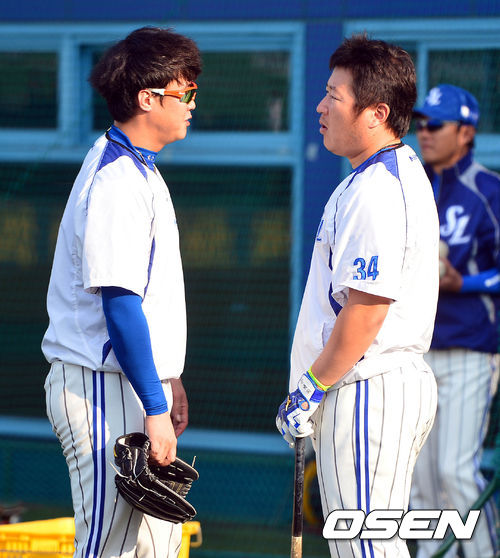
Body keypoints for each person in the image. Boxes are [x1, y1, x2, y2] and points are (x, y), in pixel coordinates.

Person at [275, 34, 440, 558]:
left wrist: (311, 387)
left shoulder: (377, 190)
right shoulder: (381, 174)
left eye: (335, 95)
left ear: (377, 113)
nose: (321, 107)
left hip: (369, 386)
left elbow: (366, 311)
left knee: (365, 548)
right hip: (375, 386)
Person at [41, 27, 201, 558]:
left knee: (158, 544)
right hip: (98, 384)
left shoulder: (137, 168)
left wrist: (166, 378)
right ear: (146, 98)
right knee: (106, 546)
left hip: (128, 381)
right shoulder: (117, 181)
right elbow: (121, 302)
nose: (192, 103)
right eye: (185, 92)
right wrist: (155, 405)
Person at [410, 84, 500, 558]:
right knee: (420, 480)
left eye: (436, 124)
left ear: (466, 132)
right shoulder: (412, 188)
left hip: (470, 347)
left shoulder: (489, 189)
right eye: (421, 123)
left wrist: (464, 282)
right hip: (418, 352)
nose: (424, 132)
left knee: (455, 472)